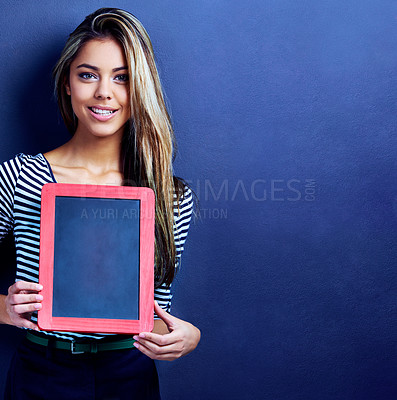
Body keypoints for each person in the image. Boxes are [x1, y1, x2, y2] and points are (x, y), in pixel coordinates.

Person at [0, 7, 200, 399]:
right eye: (88, 74)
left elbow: (152, 315)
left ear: (139, 88)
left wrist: (188, 336)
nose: (104, 92)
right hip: (42, 372)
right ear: (68, 85)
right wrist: (5, 309)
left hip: (129, 375)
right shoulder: (21, 177)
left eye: (121, 78)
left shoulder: (170, 195)